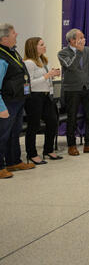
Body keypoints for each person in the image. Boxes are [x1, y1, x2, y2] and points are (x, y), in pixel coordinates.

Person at [57, 28, 89, 155]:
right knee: (71, 118)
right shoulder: (63, 53)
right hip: (72, 90)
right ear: (72, 40)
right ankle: (71, 145)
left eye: (83, 37)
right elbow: (71, 67)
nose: (84, 39)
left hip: (87, 88)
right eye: (81, 37)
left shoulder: (88, 50)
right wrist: (78, 52)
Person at [0, 23, 36, 178]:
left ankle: (14, 161)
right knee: (2, 135)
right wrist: (1, 107)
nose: (17, 34)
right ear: (4, 38)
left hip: (19, 100)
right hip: (7, 102)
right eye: (14, 33)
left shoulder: (13, 52)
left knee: (15, 133)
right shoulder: (1, 56)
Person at [23, 37, 62, 164]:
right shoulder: (29, 63)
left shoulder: (43, 60)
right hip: (34, 97)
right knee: (33, 126)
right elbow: (29, 84)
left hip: (46, 96)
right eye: (41, 44)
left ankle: (48, 150)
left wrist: (52, 74)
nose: (44, 46)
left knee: (52, 121)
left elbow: (46, 79)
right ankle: (32, 153)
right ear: (33, 47)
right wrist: (47, 76)